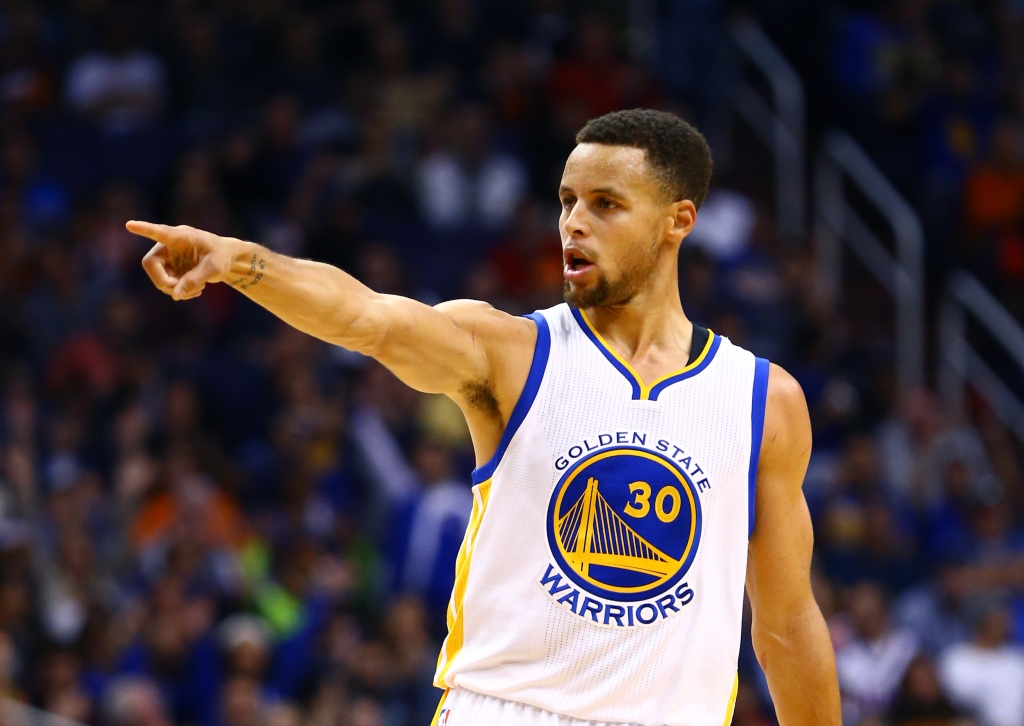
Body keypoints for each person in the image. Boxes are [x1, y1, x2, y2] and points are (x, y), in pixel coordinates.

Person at [126, 109, 840, 726]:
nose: (574, 224)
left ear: (678, 220)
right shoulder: (512, 352)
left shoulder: (762, 401)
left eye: (605, 204)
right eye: (566, 202)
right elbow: (368, 318)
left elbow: (785, 624)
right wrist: (240, 261)